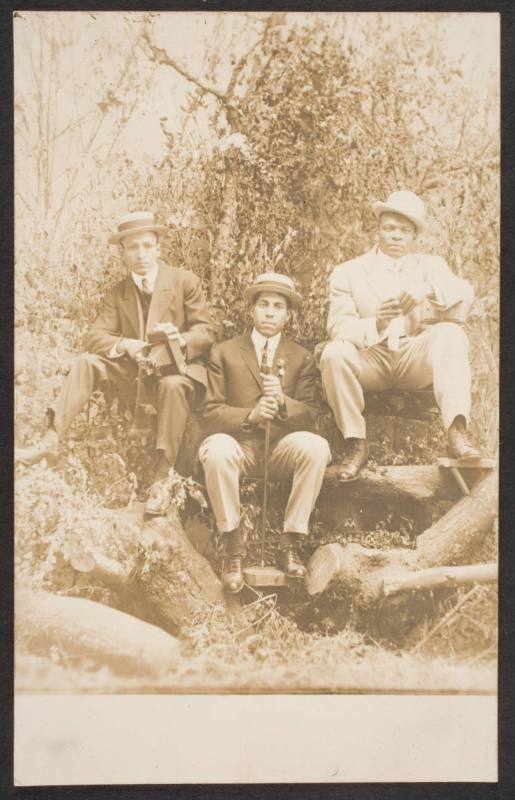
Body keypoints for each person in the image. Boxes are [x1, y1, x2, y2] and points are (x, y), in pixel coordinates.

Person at [16, 211, 215, 514]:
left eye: (147, 246)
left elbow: (207, 332)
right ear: (122, 252)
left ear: (159, 248)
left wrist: (180, 338)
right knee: (86, 362)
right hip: (137, 375)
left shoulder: (184, 281)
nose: (141, 254)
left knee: (173, 385)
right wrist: (126, 345)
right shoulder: (119, 292)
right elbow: (94, 337)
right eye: (132, 247)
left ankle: (162, 479)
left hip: (177, 372)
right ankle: (51, 440)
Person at [320, 190, 481, 482]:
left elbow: (466, 294)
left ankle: (457, 431)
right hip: (371, 358)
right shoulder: (349, 272)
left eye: (404, 231)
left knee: (451, 334)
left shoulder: (430, 266)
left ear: (414, 237)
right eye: (389, 228)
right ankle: (356, 442)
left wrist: (427, 290)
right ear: (378, 229)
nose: (396, 237)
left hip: (411, 356)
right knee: (333, 353)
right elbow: (338, 326)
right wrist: (376, 324)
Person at [199, 272, 331, 593]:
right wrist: (251, 415)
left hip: (280, 450)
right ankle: (234, 550)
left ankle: (289, 544)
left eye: (278, 306)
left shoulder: (301, 357)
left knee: (316, 447)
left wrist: (284, 404)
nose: (270, 312)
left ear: (288, 315)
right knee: (215, 448)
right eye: (263, 305)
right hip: (239, 449)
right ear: (252, 310)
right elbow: (209, 411)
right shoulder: (224, 352)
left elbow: (313, 414)